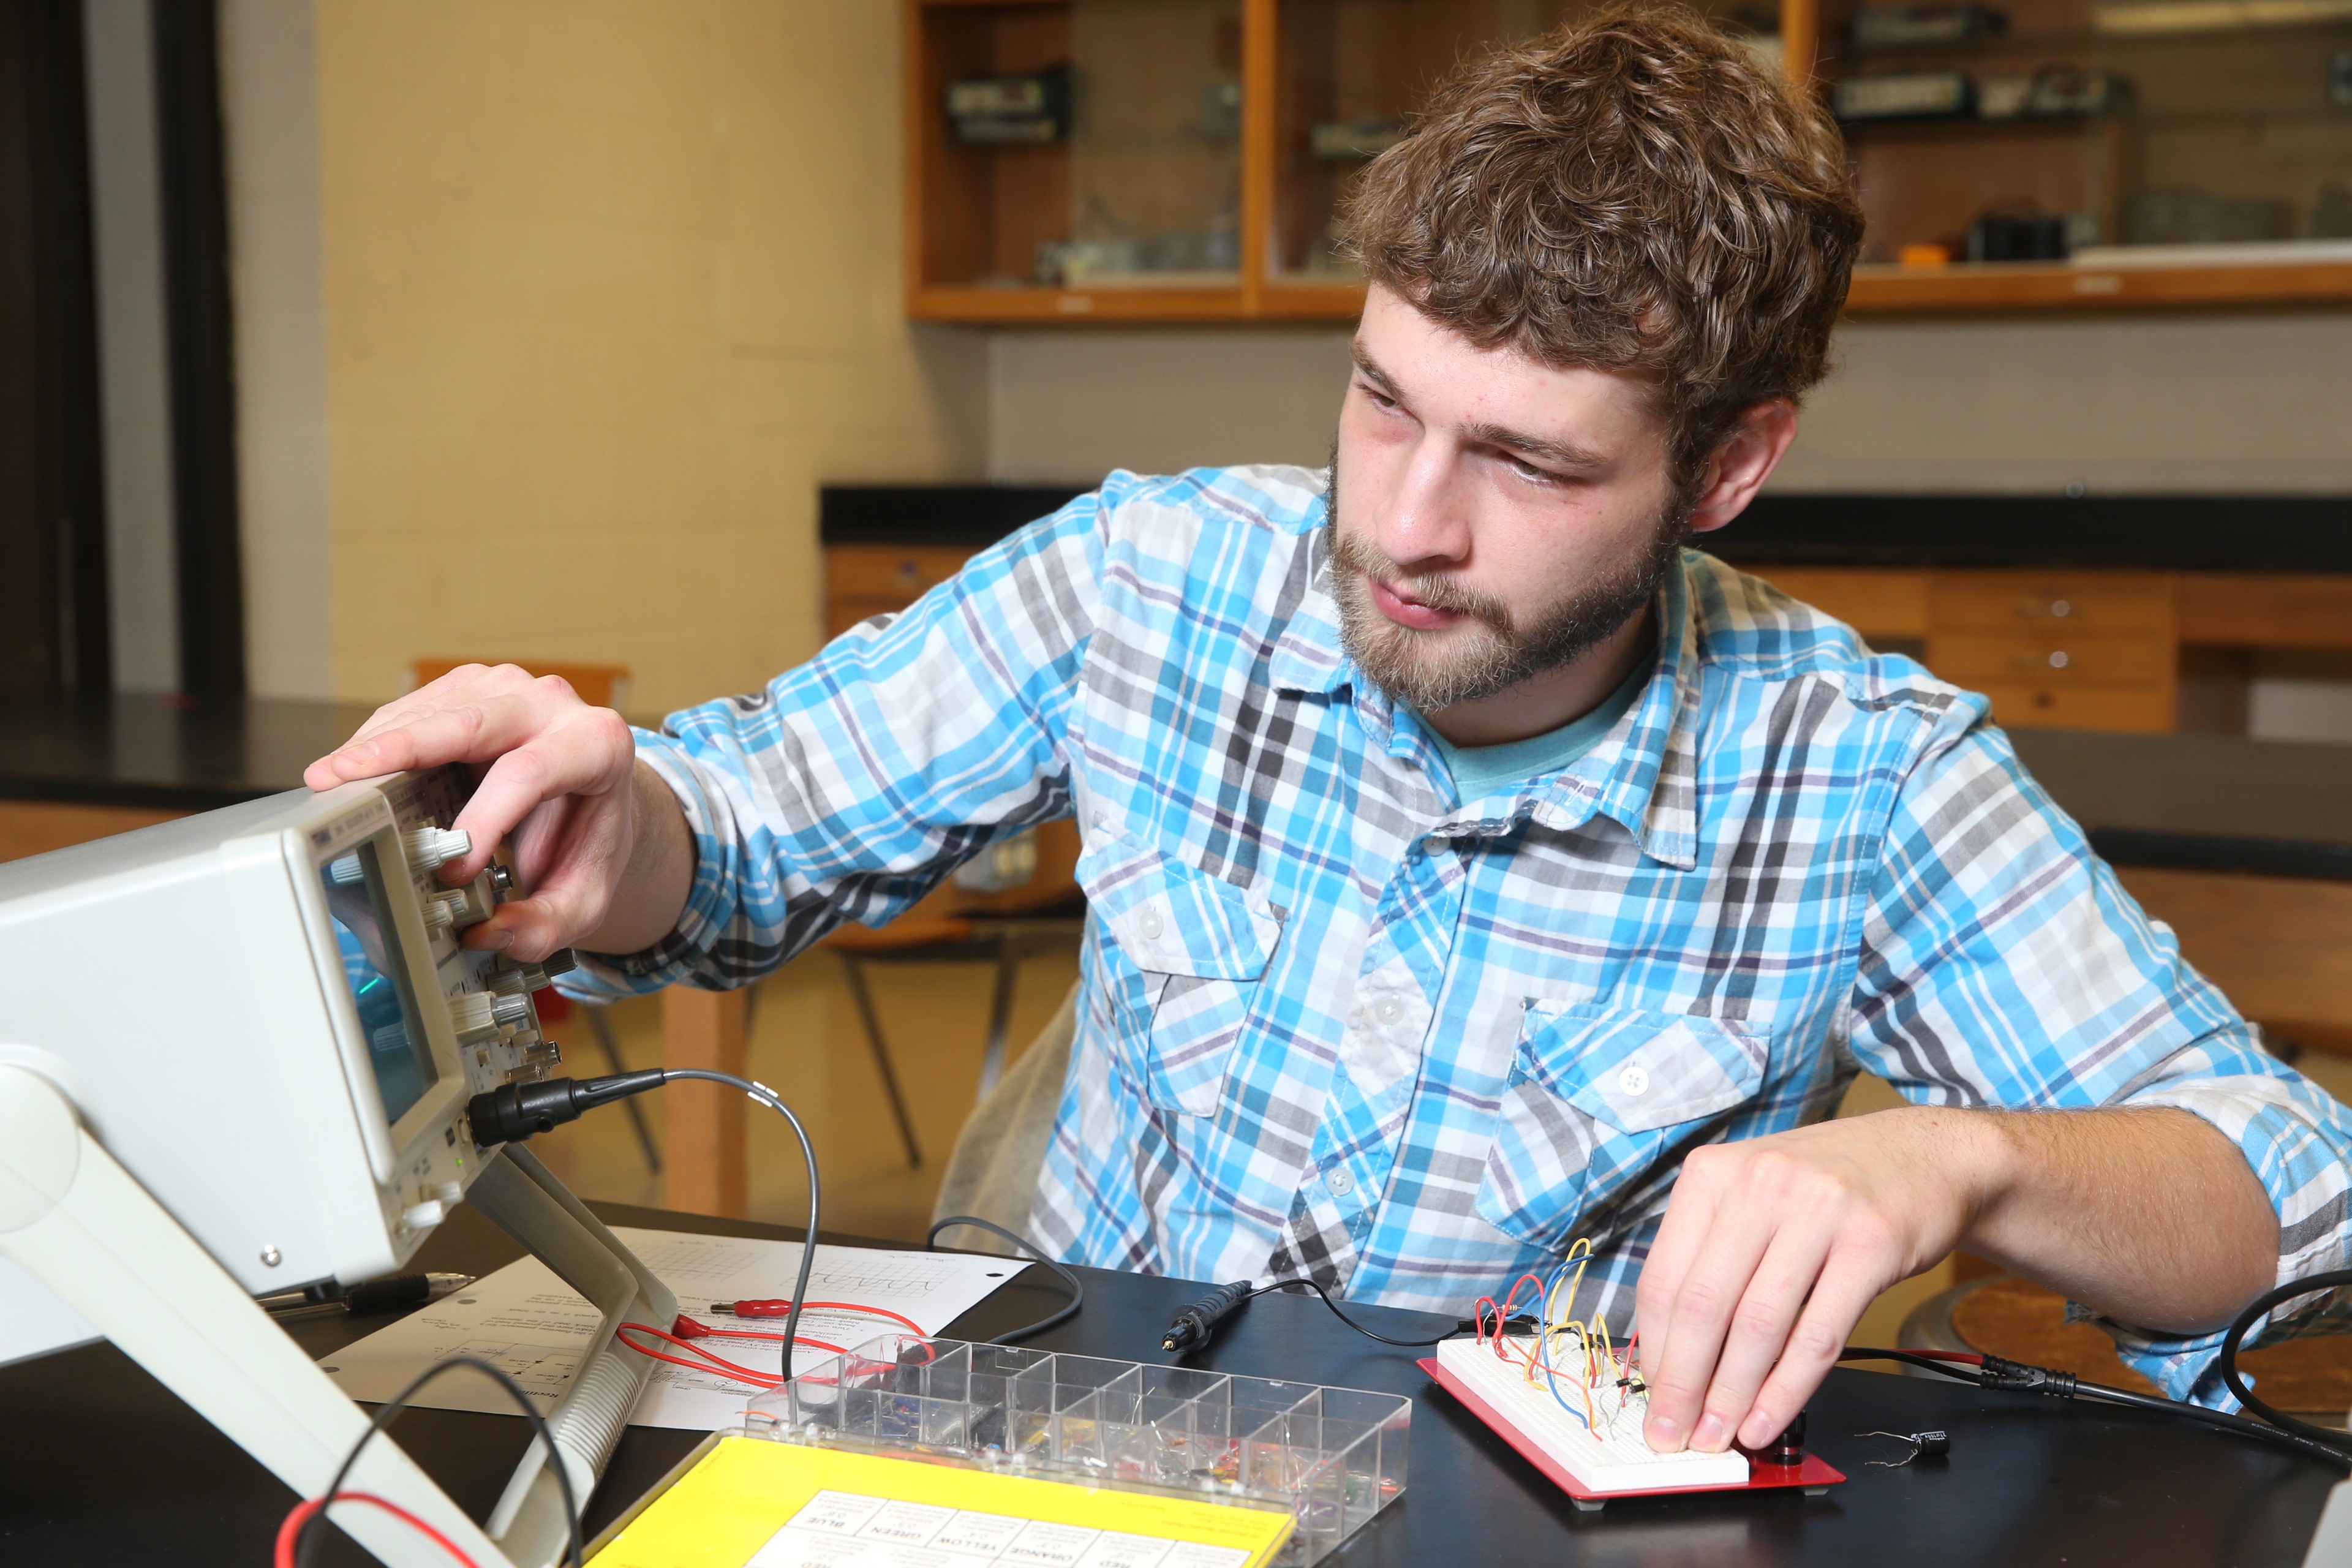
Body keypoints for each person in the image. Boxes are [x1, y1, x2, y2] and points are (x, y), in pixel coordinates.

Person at [306, 6, 2350, 1460]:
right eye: (1383, 401)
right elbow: (744, 826)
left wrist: (1957, 1163)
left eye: (1530, 466)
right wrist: (613, 815)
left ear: (1728, 468)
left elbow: (2295, 1197)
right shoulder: (1155, 576)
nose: (1402, 526)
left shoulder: (1856, 770)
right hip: (1060, 1469)